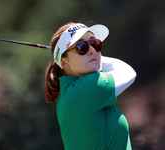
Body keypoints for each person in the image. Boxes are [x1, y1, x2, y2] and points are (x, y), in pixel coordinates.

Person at [45, 22, 136, 150]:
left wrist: (87, 55)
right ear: (64, 63)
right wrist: (96, 58)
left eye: (95, 44)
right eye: (81, 47)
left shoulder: (68, 92)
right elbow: (128, 72)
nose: (93, 50)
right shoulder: (87, 88)